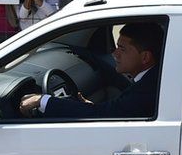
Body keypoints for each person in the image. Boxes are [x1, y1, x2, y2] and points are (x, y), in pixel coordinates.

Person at [19, 22, 164, 119]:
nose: (115, 54)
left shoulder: (147, 89)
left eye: (122, 49)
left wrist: (43, 100)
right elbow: (112, 112)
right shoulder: (154, 78)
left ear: (145, 57)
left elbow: (107, 114)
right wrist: (92, 108)